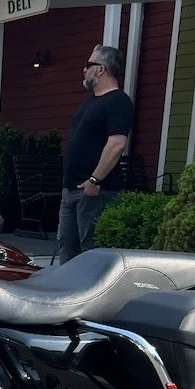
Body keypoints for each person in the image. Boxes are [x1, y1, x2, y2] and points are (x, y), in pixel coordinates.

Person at [57, 44, 135, 264]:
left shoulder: (119, 102)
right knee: (67, 248)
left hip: (95, 191)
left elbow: (117, 144)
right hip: (71, 189)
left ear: (101, 69)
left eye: (88, 64)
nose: (84, 69)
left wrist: (94, 180)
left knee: (90, 253)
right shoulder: (90, 101)